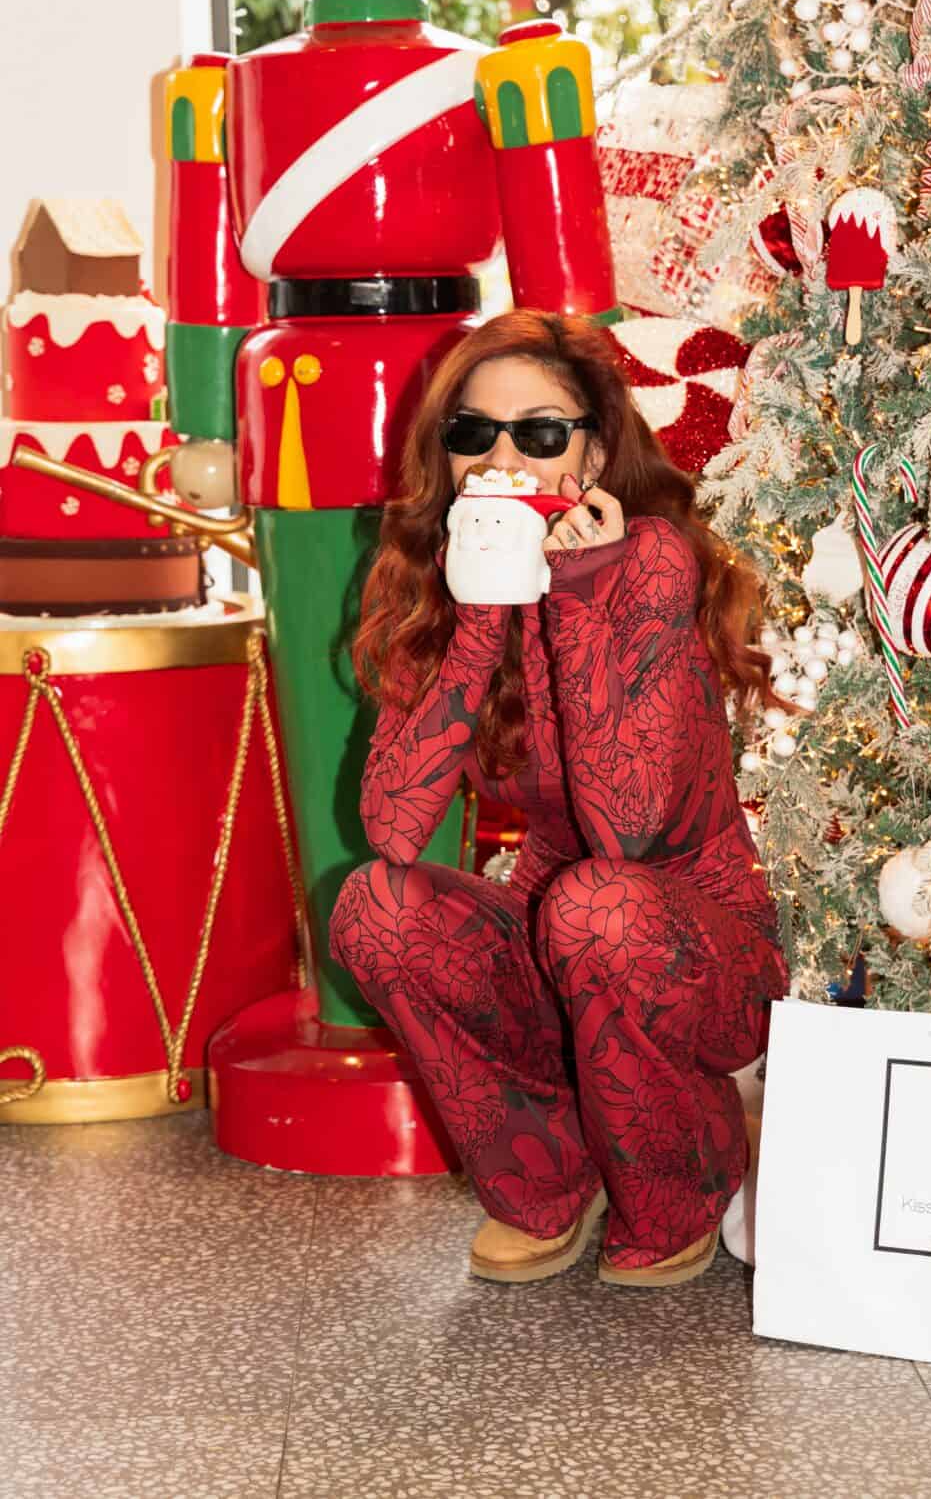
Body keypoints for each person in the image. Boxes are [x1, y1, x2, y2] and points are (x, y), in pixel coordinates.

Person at [330, 310, 789, 1288]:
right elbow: (393, 830)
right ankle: (547, 1176)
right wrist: (480, 615)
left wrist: (579, 591)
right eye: (473, 433)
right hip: (557, 934)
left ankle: (681, 1182)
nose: (502, 461)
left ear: (595, 451)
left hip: (698, 942)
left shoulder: (651, 561)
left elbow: (629, 829)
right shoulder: (441, 578)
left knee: (598, 906)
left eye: (539, 433)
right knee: (376, 906)